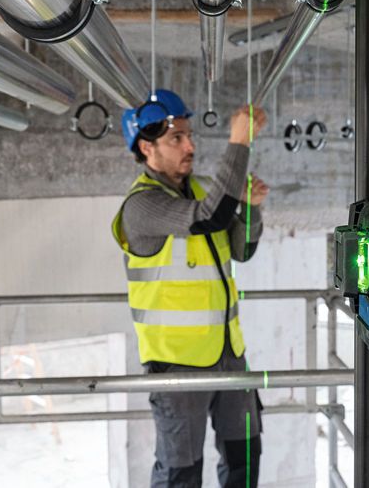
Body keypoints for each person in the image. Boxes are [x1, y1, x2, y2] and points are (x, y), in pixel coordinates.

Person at [111, 89, 269, 487]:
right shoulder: (141, 207)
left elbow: (241, 248)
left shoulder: (199, 189)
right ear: (147, 148)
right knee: (181, 473)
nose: (190, 146)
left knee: (244, 458)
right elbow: (211, 218)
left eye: (188, 135)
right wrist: (240, 141)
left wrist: (250, 208)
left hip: (229, 352)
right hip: (177, 364)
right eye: (176, 139)